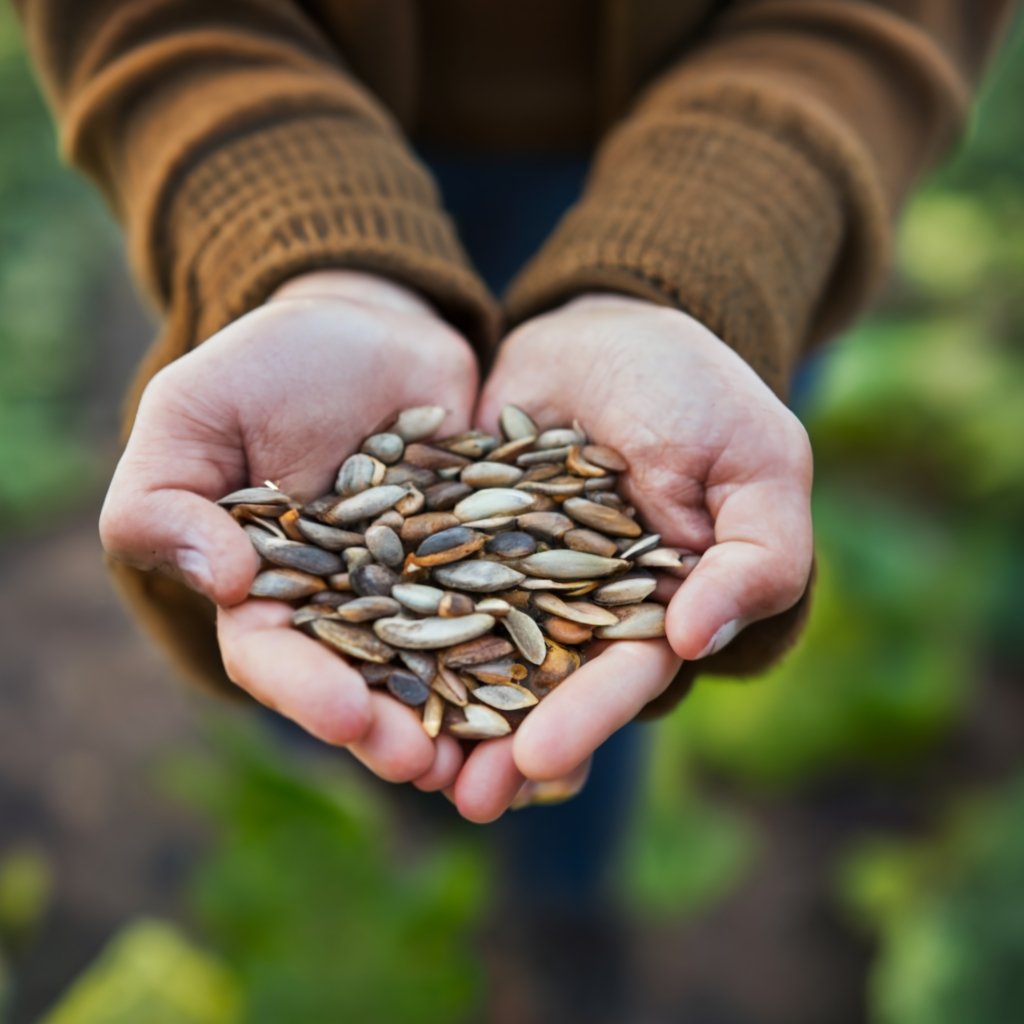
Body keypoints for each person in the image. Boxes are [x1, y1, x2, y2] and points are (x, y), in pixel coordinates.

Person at [14, 1, 1012, 826]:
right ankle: (400, 825)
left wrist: (702, 268)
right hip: (294, 120)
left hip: (727, 176)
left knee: (629, 656)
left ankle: (563, 896)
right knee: (328, 686)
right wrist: (300, 247)